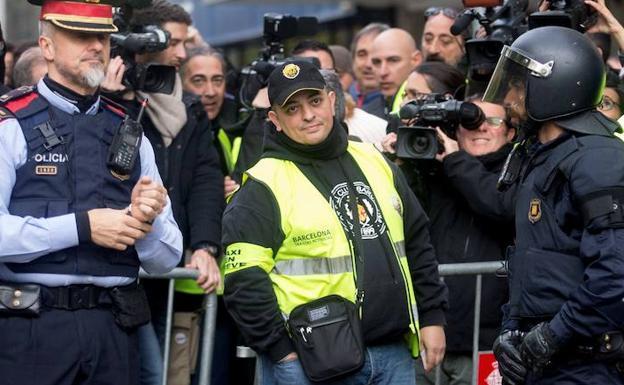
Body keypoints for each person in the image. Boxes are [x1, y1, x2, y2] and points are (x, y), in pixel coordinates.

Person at [222, 60, 448, 385]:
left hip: (393, 354)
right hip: (313, 365)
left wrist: (432, 317)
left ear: (331, 100)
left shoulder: (374, 159)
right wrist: (281, 351)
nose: (309, 115)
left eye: (315, 101)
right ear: (275, 120)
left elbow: (416, 243)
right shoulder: (262, 184)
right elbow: (243, 280)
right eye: (293, 108)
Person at [0, 1, 183, 385]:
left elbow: (167, 260)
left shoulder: (131, 134)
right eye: (80, 36)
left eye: (101, 37)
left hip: (113, 329)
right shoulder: (10, 126)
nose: (96, 46)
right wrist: (83, 227)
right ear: (47, 46)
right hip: (31, 330)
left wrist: (145, 222)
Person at [484, 26, 624, 385]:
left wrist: (553, 335)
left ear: (553, 86)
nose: (509, 98)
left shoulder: (598, 159)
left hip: (588, 364)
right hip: (548, 360)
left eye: (518, 86)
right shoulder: (540, 157)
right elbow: (534, 260)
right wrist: (512, 330)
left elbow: (615, 272)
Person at [103, 1, 224, 384]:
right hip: (115, 269)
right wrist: (106, 103)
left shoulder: (188, 105)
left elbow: (206, 177)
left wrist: (204, 245)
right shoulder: (105, 97)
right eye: (173, 42)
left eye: (186, 42)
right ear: (142, 42)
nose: (183, 54)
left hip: (166, 265)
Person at [371, 28, 422, 117]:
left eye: (393, 60)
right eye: (377, 62)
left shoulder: (430, 112)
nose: (383, 72)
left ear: (416, 60)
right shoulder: (367, 116)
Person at [348, 22, 389, 118]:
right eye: (362, 54)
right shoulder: (337, 100)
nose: (368, 64)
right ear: (353, 59)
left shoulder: (400, 104)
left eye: (376, 55)